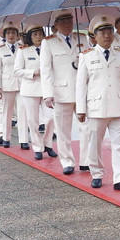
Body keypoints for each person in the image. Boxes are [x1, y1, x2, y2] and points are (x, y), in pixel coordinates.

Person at [75, 15, 120, 191]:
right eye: (102, 32)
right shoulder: (86, 56)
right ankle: (97, 173)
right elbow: (81, 85)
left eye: (109, 32)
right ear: (95, 35)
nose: (107, 35)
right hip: (97, 107)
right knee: (95, 144)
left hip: (119, 106)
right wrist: (81, 108)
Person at [41, 11, 88, 174]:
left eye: (70, 20)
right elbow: (45, 70)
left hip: (82, 91)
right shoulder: (49, 43)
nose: (67, 24)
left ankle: (85, 160)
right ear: (56, 25)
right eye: (63, 21)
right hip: (61, 92)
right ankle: (67, 161)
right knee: (63, 130)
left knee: (86, 127)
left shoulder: (81, 38)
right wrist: (48, 93)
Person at [14, 23, 56, 158]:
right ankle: (37, 147)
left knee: (50, 118)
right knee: (33, 121)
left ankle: (48, 144)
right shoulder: (23, 50)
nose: (38, 37)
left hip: (47, 89)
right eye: (35, 34)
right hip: (30, 89)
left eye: (40, 34)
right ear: (30, 37)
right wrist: (32, 72)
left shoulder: (49, 48)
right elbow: (17, 71)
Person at [0, 20, 24, 147]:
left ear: (18, 35)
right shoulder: (0, 50)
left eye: (13, 33)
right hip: (7, 86)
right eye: (8, 33)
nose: (11, 35)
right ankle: (6, 138)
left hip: (22, 85)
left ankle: (24, 140)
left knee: (23, 113)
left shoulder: (23, 48)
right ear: (4, 36)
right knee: (7, 113)